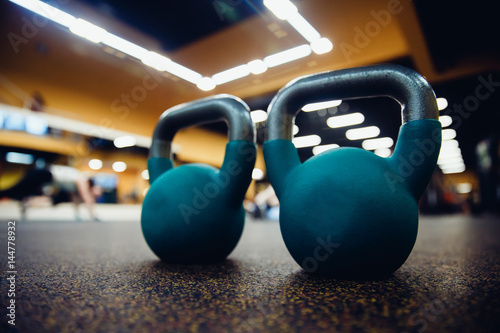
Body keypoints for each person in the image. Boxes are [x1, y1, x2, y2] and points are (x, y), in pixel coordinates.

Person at [0, 164, 101, 221]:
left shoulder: (76, 185)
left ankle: (26, 203)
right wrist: (93, 215)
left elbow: (75, 199)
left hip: (46, 178)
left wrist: (77, 214)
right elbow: (86, 197)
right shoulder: (82, 180)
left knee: (20, 192)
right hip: (44, 174)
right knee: (16, 189)